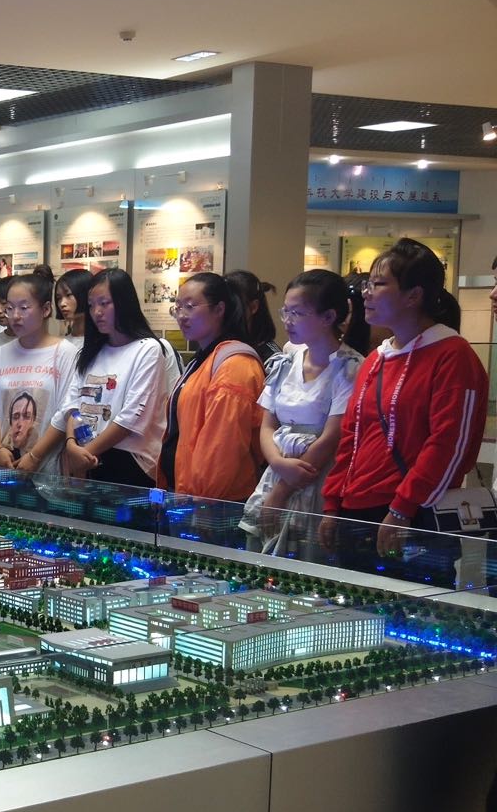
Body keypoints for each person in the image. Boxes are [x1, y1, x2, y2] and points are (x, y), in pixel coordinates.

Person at [318, 238, 487, 578]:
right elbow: (352, 437)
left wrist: (403, 508)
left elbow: (449, 445)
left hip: (410, 515)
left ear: (414, 295)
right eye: (367, 284)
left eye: (379, 284)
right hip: (356, 510)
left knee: (409, 606)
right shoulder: (376, 359)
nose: (366, 293)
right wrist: (333, 504)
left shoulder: (453, 355)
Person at [239, 270, 364, 554]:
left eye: (297, 313)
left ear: (328, 317)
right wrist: (277, 462)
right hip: (278, 470)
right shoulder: (286, 362)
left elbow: (331, 438)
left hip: (316, 477)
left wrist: (282, 490)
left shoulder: (350, 367)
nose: (287, 320)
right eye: (285, 311)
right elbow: (267, 424)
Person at [42, 267, 178, 488]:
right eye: (91, 305)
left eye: (104, 303)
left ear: (124, 303)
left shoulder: (148, 349)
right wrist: (71, 445)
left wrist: (84, 454)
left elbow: (131, 417)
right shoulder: (90, 352)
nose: (96, 312)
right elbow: (72, 404)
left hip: (129, 462)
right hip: (87, 456)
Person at [159, 271, 265, 501]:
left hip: (213, 503)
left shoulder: (235, 364)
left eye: (190, 307)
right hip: (188, 494)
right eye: (178, 307)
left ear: (219, 309)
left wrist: (199, 501)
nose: (182, 316)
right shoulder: (202, 358)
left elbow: (222, 448)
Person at [0, 266, 78, 473]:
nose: (15, 316)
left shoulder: (66, 353)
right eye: (10, 308)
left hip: (49, 468)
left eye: (24, 308)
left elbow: (66, 412)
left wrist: (35, 456)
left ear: (46, 309)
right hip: (5, 464)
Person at [226, 270, 282, 363]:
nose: (223, 311)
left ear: (253, 307)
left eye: (232, 304)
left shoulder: (273, 360)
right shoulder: (220, 345)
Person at [55, 269, 92, 340]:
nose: (62, 303)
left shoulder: (103, 343)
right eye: (59, 298)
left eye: (68, 295)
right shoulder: (63, 343)